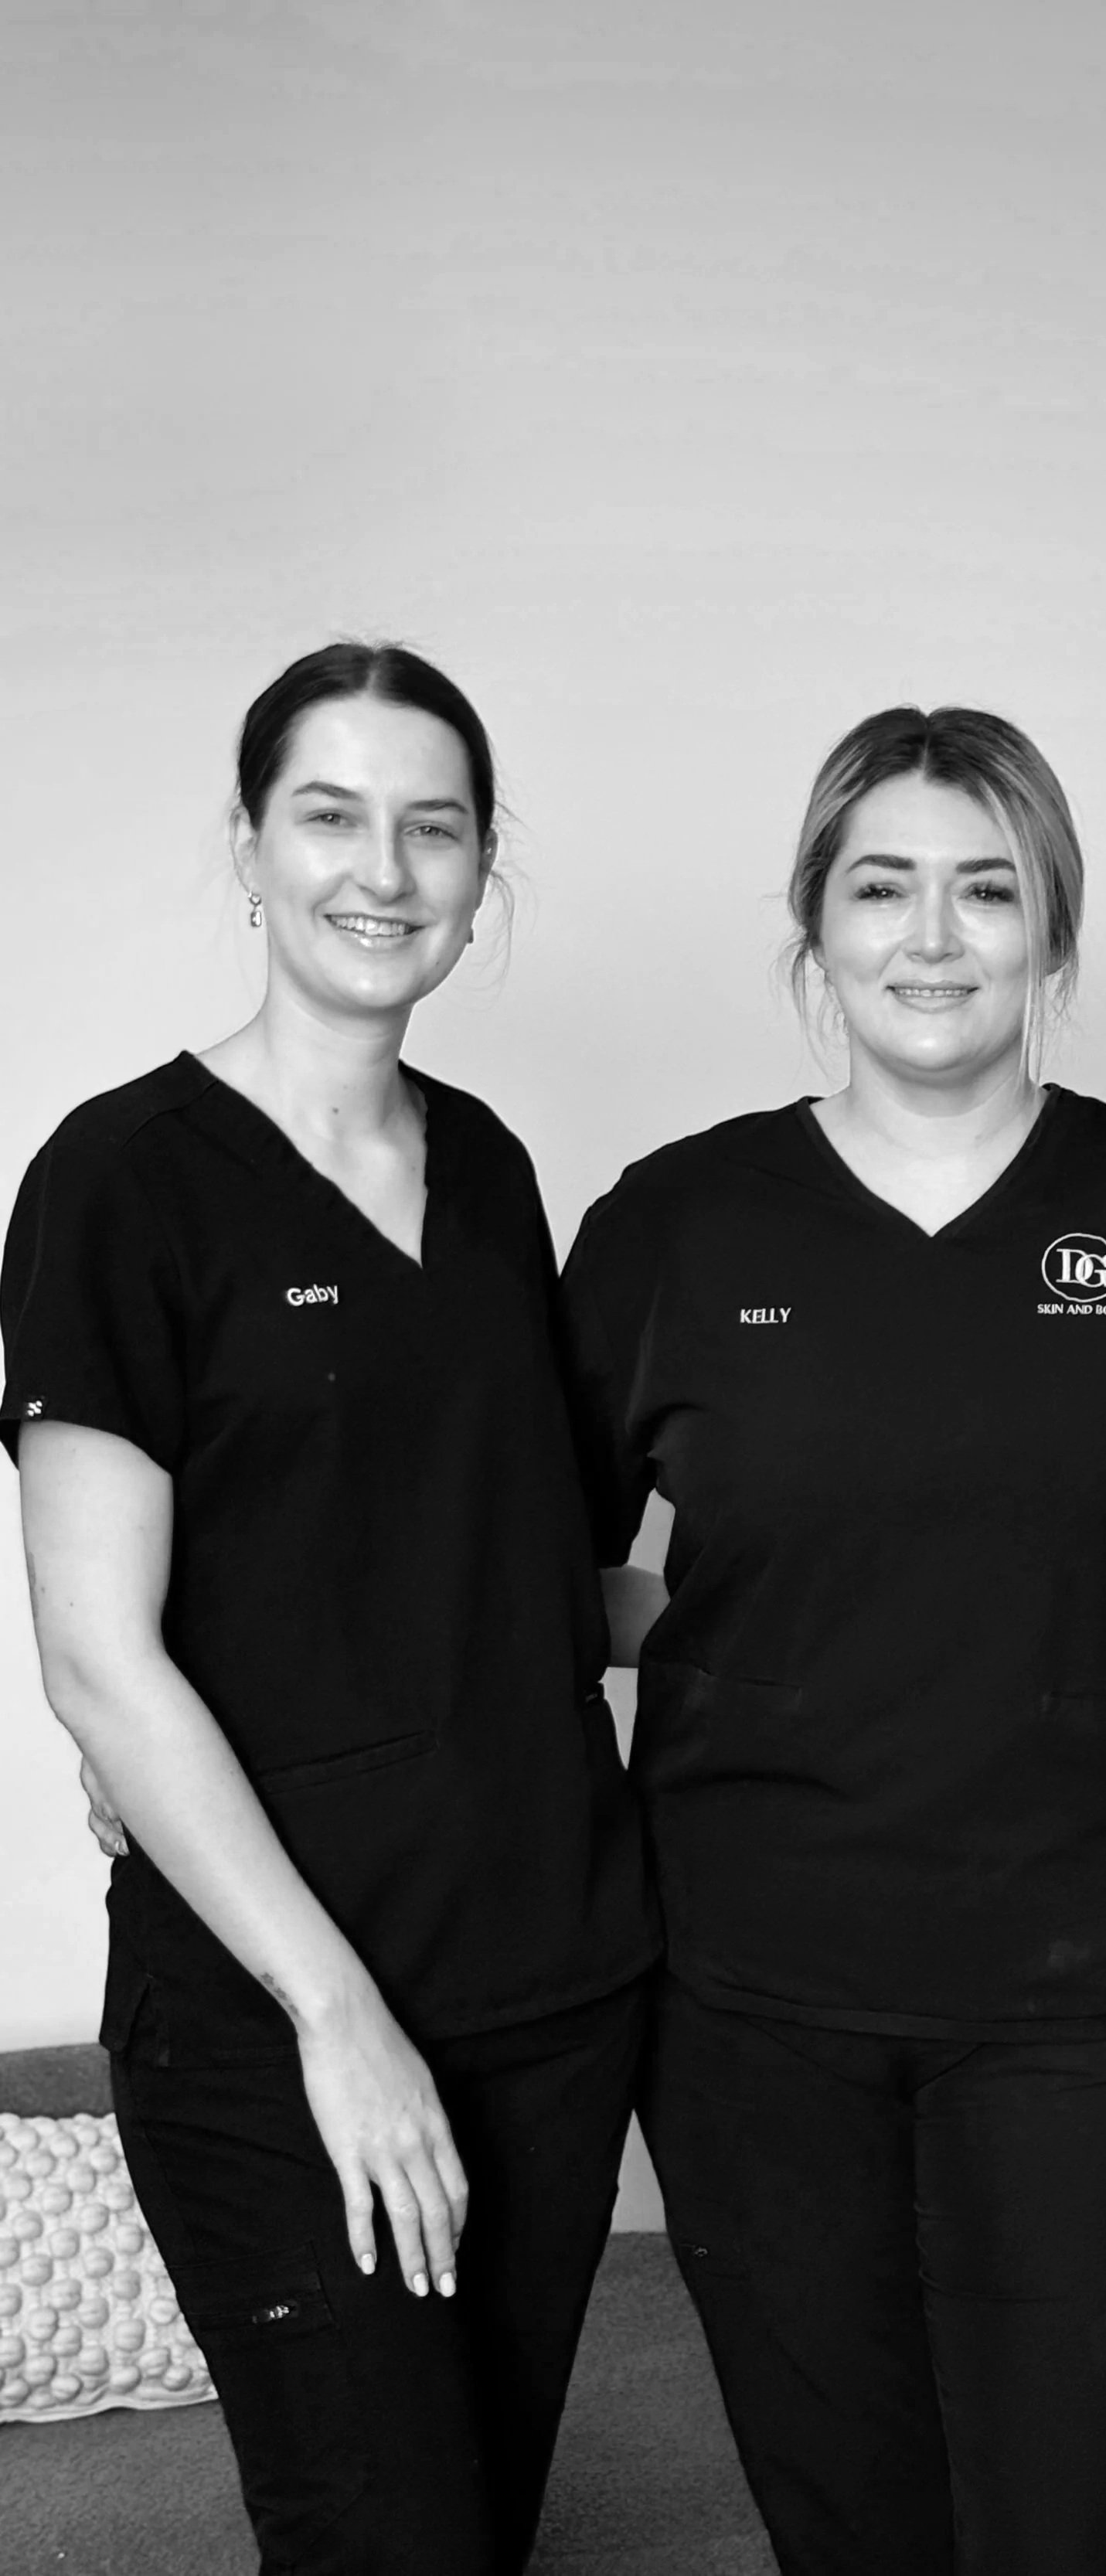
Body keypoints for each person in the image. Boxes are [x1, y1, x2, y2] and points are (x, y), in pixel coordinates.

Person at [557, 705, 1106, 2576]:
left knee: (1064, 2532)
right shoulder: (671, 1223)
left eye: (987, 888)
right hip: (752, 1989)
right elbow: (539, 1573)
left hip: (1099, 1991)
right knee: (853, 2531)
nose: (931, 934)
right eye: (880, 885)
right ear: (812, 928)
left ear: (1053, 931)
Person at [2, 644, 652, 2574]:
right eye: (332, 813)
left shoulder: (495, 1172)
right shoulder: (123, 1181)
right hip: (285, 2023)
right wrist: (337, 2011)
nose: (385, 867)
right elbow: (97, 1658)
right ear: (250, 844)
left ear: (479, 867)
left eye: (433, 825)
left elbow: (516, 1580)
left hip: (549, 1993)